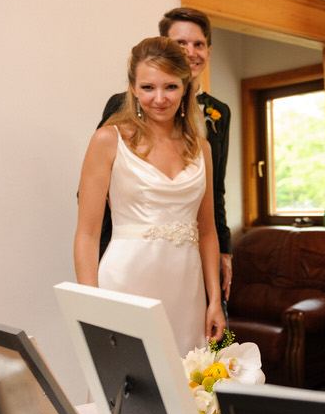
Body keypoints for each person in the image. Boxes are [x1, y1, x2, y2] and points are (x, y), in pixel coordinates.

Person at [75, 36, 226, 355]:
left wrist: (215, 300)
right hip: (126, 283)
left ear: (186, 87)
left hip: (188, 291)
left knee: (189, 390)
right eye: (148, 87)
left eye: (170, 87)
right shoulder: (108, 140)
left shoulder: (203, 149)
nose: (159, 98)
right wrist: (92, 308)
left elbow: (208, 232)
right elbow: (87, 235)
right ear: (132, 88)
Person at [98, 7, 233, 296]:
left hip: (190, 266)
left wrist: (224, 249)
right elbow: (98, 194)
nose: (190, 52)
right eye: (180, 43)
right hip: (130, 258)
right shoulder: (119, 114)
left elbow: (214, 191)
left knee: (208, 337)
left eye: (198, 44)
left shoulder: (218, 113)